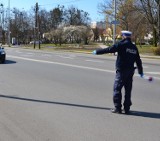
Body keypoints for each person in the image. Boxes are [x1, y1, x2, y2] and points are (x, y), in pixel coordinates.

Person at [93, 30, 143, 114]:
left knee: (117, 89)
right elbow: (138, 60)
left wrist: (97, 52)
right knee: (128, 90)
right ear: (130, 37)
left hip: (122, 71)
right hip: (130, 71)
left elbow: (109, 49)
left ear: (123, 36)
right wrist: (140, 71)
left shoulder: (121, 44)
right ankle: (127, 109)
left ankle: (117, 108)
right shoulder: (134, 47)